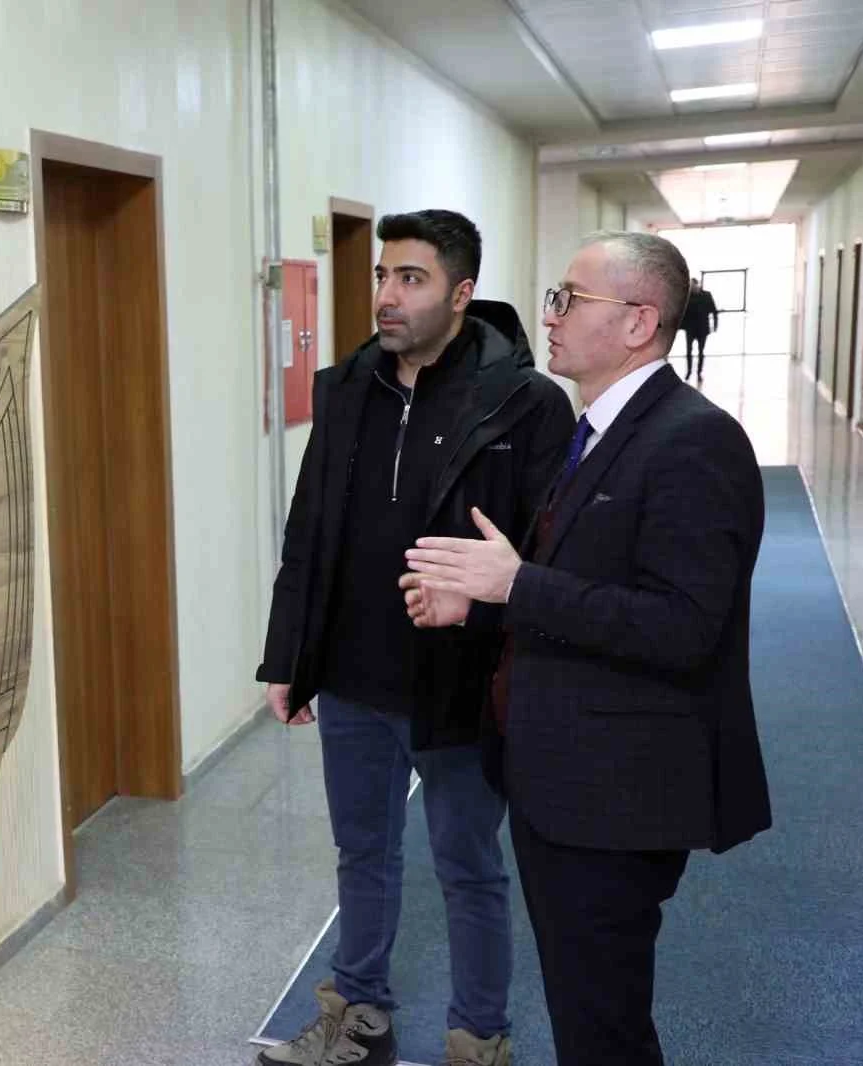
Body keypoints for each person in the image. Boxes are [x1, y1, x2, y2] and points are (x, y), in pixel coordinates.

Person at [401, 231, 772, 1065]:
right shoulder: (600, 429)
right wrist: (479, 606)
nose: (551, 316)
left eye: (570, 300)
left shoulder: (693, 440)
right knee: (584, 1013)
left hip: (617, 792)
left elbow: (684, 625)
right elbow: (581, 589)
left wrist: (515, 586)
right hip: (560, 778)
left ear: (639, 322)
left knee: (602, 1028)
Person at [255, 209, 574, 1066]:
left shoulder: (525, 403)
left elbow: (547, 561)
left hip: (459, 682)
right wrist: (289, 657)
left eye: (411, 279)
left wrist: (494, 617)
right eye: (382, 276)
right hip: (352, 678)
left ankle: (478, 1040)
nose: (387, 296)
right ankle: (359, 1019)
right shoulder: (348, 390)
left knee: (467, 866)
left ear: (461, 293)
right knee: (362, 854)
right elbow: (307, 531)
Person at [681, 276, 717, 384]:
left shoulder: (706, 295)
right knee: (688, 351)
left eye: (693, 286)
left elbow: (713, 310)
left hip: (702, 328)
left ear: (697, 285)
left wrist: (715, 325)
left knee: (701, 351)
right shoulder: (687, 296)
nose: (692, 288)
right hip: (690, 328)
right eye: (690, 286)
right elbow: (682, 312)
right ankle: (689, 372)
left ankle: (699, 372)